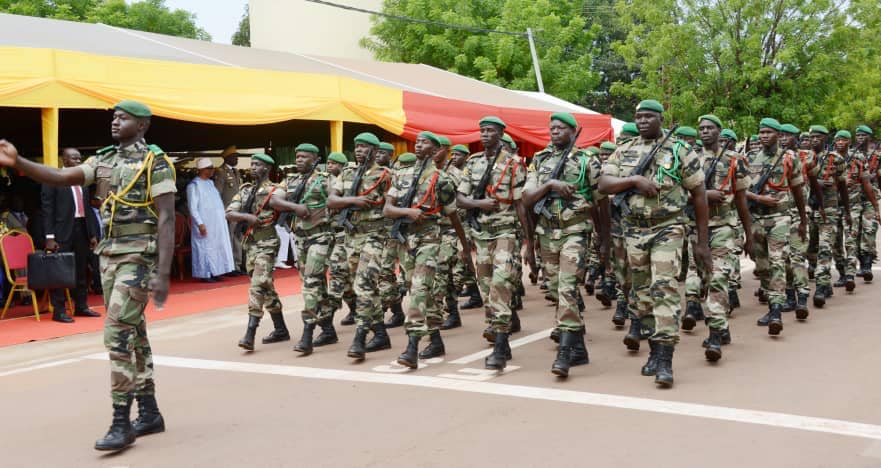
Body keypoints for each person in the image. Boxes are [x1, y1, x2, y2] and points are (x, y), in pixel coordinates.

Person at [0, 100, 174, 450]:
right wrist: (19, 162)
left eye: (123, 118)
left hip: (139, 257)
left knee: (117, 333)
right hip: (109, 256)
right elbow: (62, 177)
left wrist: (165, 272)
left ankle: (121, 421)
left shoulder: (155, 162)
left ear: (142, 125)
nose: (115, 122)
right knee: (134, 333)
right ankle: (150, 412)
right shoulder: (104, 159)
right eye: (114, 117)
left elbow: (167, 218)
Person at [599, 99, 711, 388]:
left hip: (668, 227)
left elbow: (699, 194)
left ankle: (665, 358)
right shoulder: (624, 150)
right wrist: (634, 180)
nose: (643, 121)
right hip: (634, 230)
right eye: (639, 117)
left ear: (661, 119)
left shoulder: (680, 150)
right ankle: (653, 349)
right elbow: (604, 184)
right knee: (641, 293)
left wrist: (702, 242)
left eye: (649, 116)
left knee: (664, 288)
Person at [523, 112, 609, 377]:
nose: (555, 132)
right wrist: (551, 185)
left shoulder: (587, 161)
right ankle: (579, 348)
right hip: (547, 233)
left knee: (567, 288)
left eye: (560, 128)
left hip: (575, 230)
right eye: (552, 128)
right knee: (554, 288)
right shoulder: (539, 160)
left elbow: (601, 202)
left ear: (573, 131)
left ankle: (565, 351)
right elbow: (527, 198)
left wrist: (604, 239)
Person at [457, 116, 533, 371]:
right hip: (481, 235)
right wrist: (480, 204)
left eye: (490, 130)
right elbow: (460, 198)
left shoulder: (514, 164)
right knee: (486, 287)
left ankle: (500, 345)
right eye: (482, 131)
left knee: (500, 285)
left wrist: (529, 243)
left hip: (505, 233)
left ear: (501, 134)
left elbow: (520, 204)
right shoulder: (473, 162)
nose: (485, 134)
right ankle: (502, 333)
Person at [384, 132, 463, 368]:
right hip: (406, 239)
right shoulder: (401, 174)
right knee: (420, 290)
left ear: (435, 150)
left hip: (430, 238)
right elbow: (388, 209)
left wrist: (464, 244)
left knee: (419, 289)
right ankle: (436, 340)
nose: (418, 145)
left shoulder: (442, 179)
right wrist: (407, 212)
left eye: (424, 142)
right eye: (417, 141)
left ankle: (412, 346)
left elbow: (452, 214)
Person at [328, 132, 393, 361]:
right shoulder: (347, 173)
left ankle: (360, 337)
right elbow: (331, 200)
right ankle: (381, 334)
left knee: (364, 284)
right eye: (356, 146)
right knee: (364, 288)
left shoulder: (385, 175)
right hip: (352, 238)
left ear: (374, 151)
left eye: (364, 147)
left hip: (375, 236)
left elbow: (392, 205)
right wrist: (353, 200)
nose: (358, 150)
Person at [270, 143, 336, 354]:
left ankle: (307, 334)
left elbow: (335, 199)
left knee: (311, 283)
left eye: (304, 157)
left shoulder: (325, 180)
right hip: (300, 239)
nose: (299, 160)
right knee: (317, 286)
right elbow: (274, 199)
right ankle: (328, 330)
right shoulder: (290, 180)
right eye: (297, 156)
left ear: (315, 160)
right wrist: (295, 207)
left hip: (321, 237)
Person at [745, 118, 808, 333]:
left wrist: (803, 220)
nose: (764, 136)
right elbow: (740, 190)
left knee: (777, 262)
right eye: (761, 132)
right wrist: (758, 198)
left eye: (768, 132)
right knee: (762, 266)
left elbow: (798, 190)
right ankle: (774, 300)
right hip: (756, 218)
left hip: (780, 218)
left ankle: (776, 311)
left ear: (778, 135)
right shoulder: (750, 158)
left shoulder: (790, 158)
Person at [226, 154, 288, 351]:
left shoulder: (275, 190)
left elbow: (281, 202)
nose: (253, 167)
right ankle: (281, 329)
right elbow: (229, 213)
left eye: (257, 165)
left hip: (267, 243)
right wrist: (247, 217)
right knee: (265, 286)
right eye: (252, 164)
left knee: (257, 286)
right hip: (250, 244)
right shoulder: (245, 190)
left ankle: (250, 333)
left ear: (267, 169)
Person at [41, 147, 102, 323]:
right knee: (60, 271)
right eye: (74, 158)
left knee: (80, 270)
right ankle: (59, 311)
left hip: (81, 229)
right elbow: (47, 210)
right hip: (61, 232)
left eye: (79, 158)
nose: (78, 161)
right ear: (64, 160)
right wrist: (49, 237)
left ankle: (81, 306)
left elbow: (88, 209)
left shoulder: (83, 180)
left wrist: (92, 234)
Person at [186, 157, 235, 283]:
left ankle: (216, 271)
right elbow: (193, 208)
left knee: (215, 247)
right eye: (210, 168)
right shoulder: (194, 186)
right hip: (204, 223)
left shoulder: (210, 183)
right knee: (204, 248)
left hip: (216, 223)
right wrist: (200, 223)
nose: (212, 170)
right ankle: (205, 274)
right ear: (203, 169)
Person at [213, 145, 245, 275]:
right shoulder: (221, 172)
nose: (236, 159)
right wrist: (221, 213)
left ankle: (238, 265)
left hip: (238, 211)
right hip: (228, 211)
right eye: (234, 157)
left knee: (238, 238)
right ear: (227, 158)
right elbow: (217, 194)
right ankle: (230, 266)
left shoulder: (236, 172)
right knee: (230, 239)